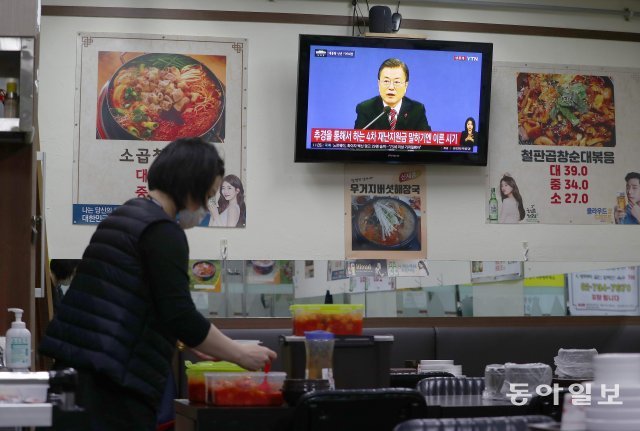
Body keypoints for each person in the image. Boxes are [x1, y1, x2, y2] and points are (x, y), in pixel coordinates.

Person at [39, 138, 276, 431]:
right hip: (110, 387)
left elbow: (135, 301)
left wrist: (189, 340)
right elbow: (179, 313)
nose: (207, 206)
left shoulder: (127, 214)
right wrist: (240, 354)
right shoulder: (162, 231)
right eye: (209, 195)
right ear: (190, 186)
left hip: (76, 376)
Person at [354, 58, 430, 131]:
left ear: (406, 85)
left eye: (396, 82)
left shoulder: (417, 110)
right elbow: (356, 142)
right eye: (386, 81)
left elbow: (428, 142)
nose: (391, 87)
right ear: (379, 83)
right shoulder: (365, 109)